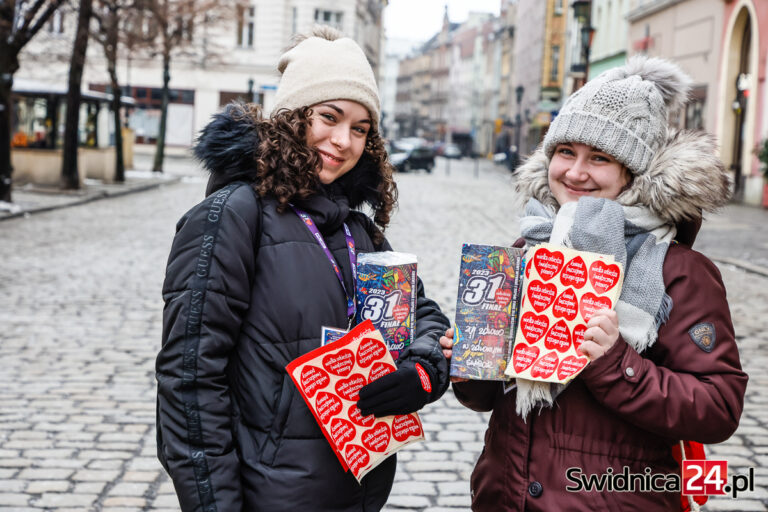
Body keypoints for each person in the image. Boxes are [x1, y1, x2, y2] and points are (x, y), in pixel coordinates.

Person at [156, 26, 450, 512]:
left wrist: (423, 370)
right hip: (266, 494)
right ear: (292, 117)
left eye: (360, 129)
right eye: (329, 117)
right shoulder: (234, 215)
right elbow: (188, 380)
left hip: (358, 489)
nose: (343, 141)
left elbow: (424, 316)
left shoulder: (359, 229)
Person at [440, 57, 748, 510]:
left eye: (599, 158)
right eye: (566, 152)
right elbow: (490, 398)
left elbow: (718, 406)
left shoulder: (679, 270)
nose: (575, 173)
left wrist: (615, 363)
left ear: (632, 173)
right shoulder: (531, 245)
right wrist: (472, 361)